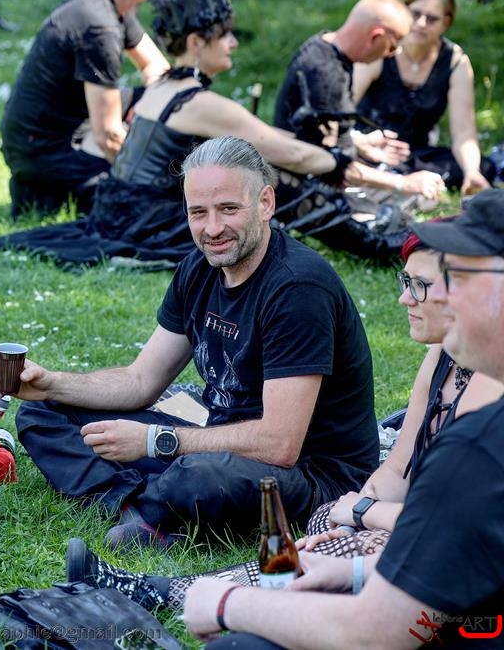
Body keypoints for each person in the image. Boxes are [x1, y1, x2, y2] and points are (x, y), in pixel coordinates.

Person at [64, 227, 503, 611]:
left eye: (421, 285)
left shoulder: (299, 285)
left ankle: (165, 591)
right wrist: (353, 512)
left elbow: (457, 525)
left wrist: (365, 512)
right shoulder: (442, 355)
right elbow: (396, 470)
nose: (405, 297)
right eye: (406, 281)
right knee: (328, 523)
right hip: (399, 514)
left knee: (364, 543)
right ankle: (150, 515)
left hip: (457, 544)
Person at [0, 136, 378, 551]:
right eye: (199, 212)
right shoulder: (199, 268)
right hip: (218, 441)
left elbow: (280, 444)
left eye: (228, 209)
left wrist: (155, 441)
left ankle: (155, 504)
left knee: (199, 476)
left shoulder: (298, 287)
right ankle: (136, 508)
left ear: (265, 203)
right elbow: (141, 381)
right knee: (43, 411)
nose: (212, 229)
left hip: (310, 474)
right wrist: (51, 384)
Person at [182, 189, 504, 649]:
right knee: (323, 533)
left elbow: (375, 633)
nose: (437, 298)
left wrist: (224, 604)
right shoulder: (463, 403)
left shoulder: (481, 440)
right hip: (426, 571)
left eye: (457, 280)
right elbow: (463, 546)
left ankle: (178, 590)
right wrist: (352, 568)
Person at [0, 0, 417, 268]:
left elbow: (268, 138)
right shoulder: (198, 102)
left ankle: (370, 230)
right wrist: (380, 177)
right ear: (196, 43)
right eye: (224, 35)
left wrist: (353, 150)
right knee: (278, 182)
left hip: (118, 209)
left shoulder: (163, 87)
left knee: (263, 177)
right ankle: (376, 244)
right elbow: (292, 153)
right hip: (151, 222)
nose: (233, 43)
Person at [0, 0, 171, 218]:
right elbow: (109, 136)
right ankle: (42, 189)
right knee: (145, 204)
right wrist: (157, 179)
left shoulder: (107, 2)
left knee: (171, 102)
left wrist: (151, 102)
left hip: (69, 124)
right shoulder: (98, 25)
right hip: (42, 149)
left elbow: (157, 67)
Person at [273, 0, 446, 201]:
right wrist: (404, 182)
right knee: (410, 202)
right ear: (375, 37)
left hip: (320, 169)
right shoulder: (325, 73)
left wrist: (360, 143)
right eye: (393, 45)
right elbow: (330, 165)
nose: (392, 54)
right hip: (305, 186)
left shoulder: (325, 47)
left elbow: (319, 135)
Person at [354, 0, 494, 196]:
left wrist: (471, 171)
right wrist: (361, 144)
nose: (420, 23)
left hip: (417, 153)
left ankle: (402, 178)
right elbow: (343, 107)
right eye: (415, 14)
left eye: (432, 19)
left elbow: (464, 132)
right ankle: (388, 178)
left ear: (446, 22)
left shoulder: (455, 62)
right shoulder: (383, 47)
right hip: (369, 148)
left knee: (483, 167)